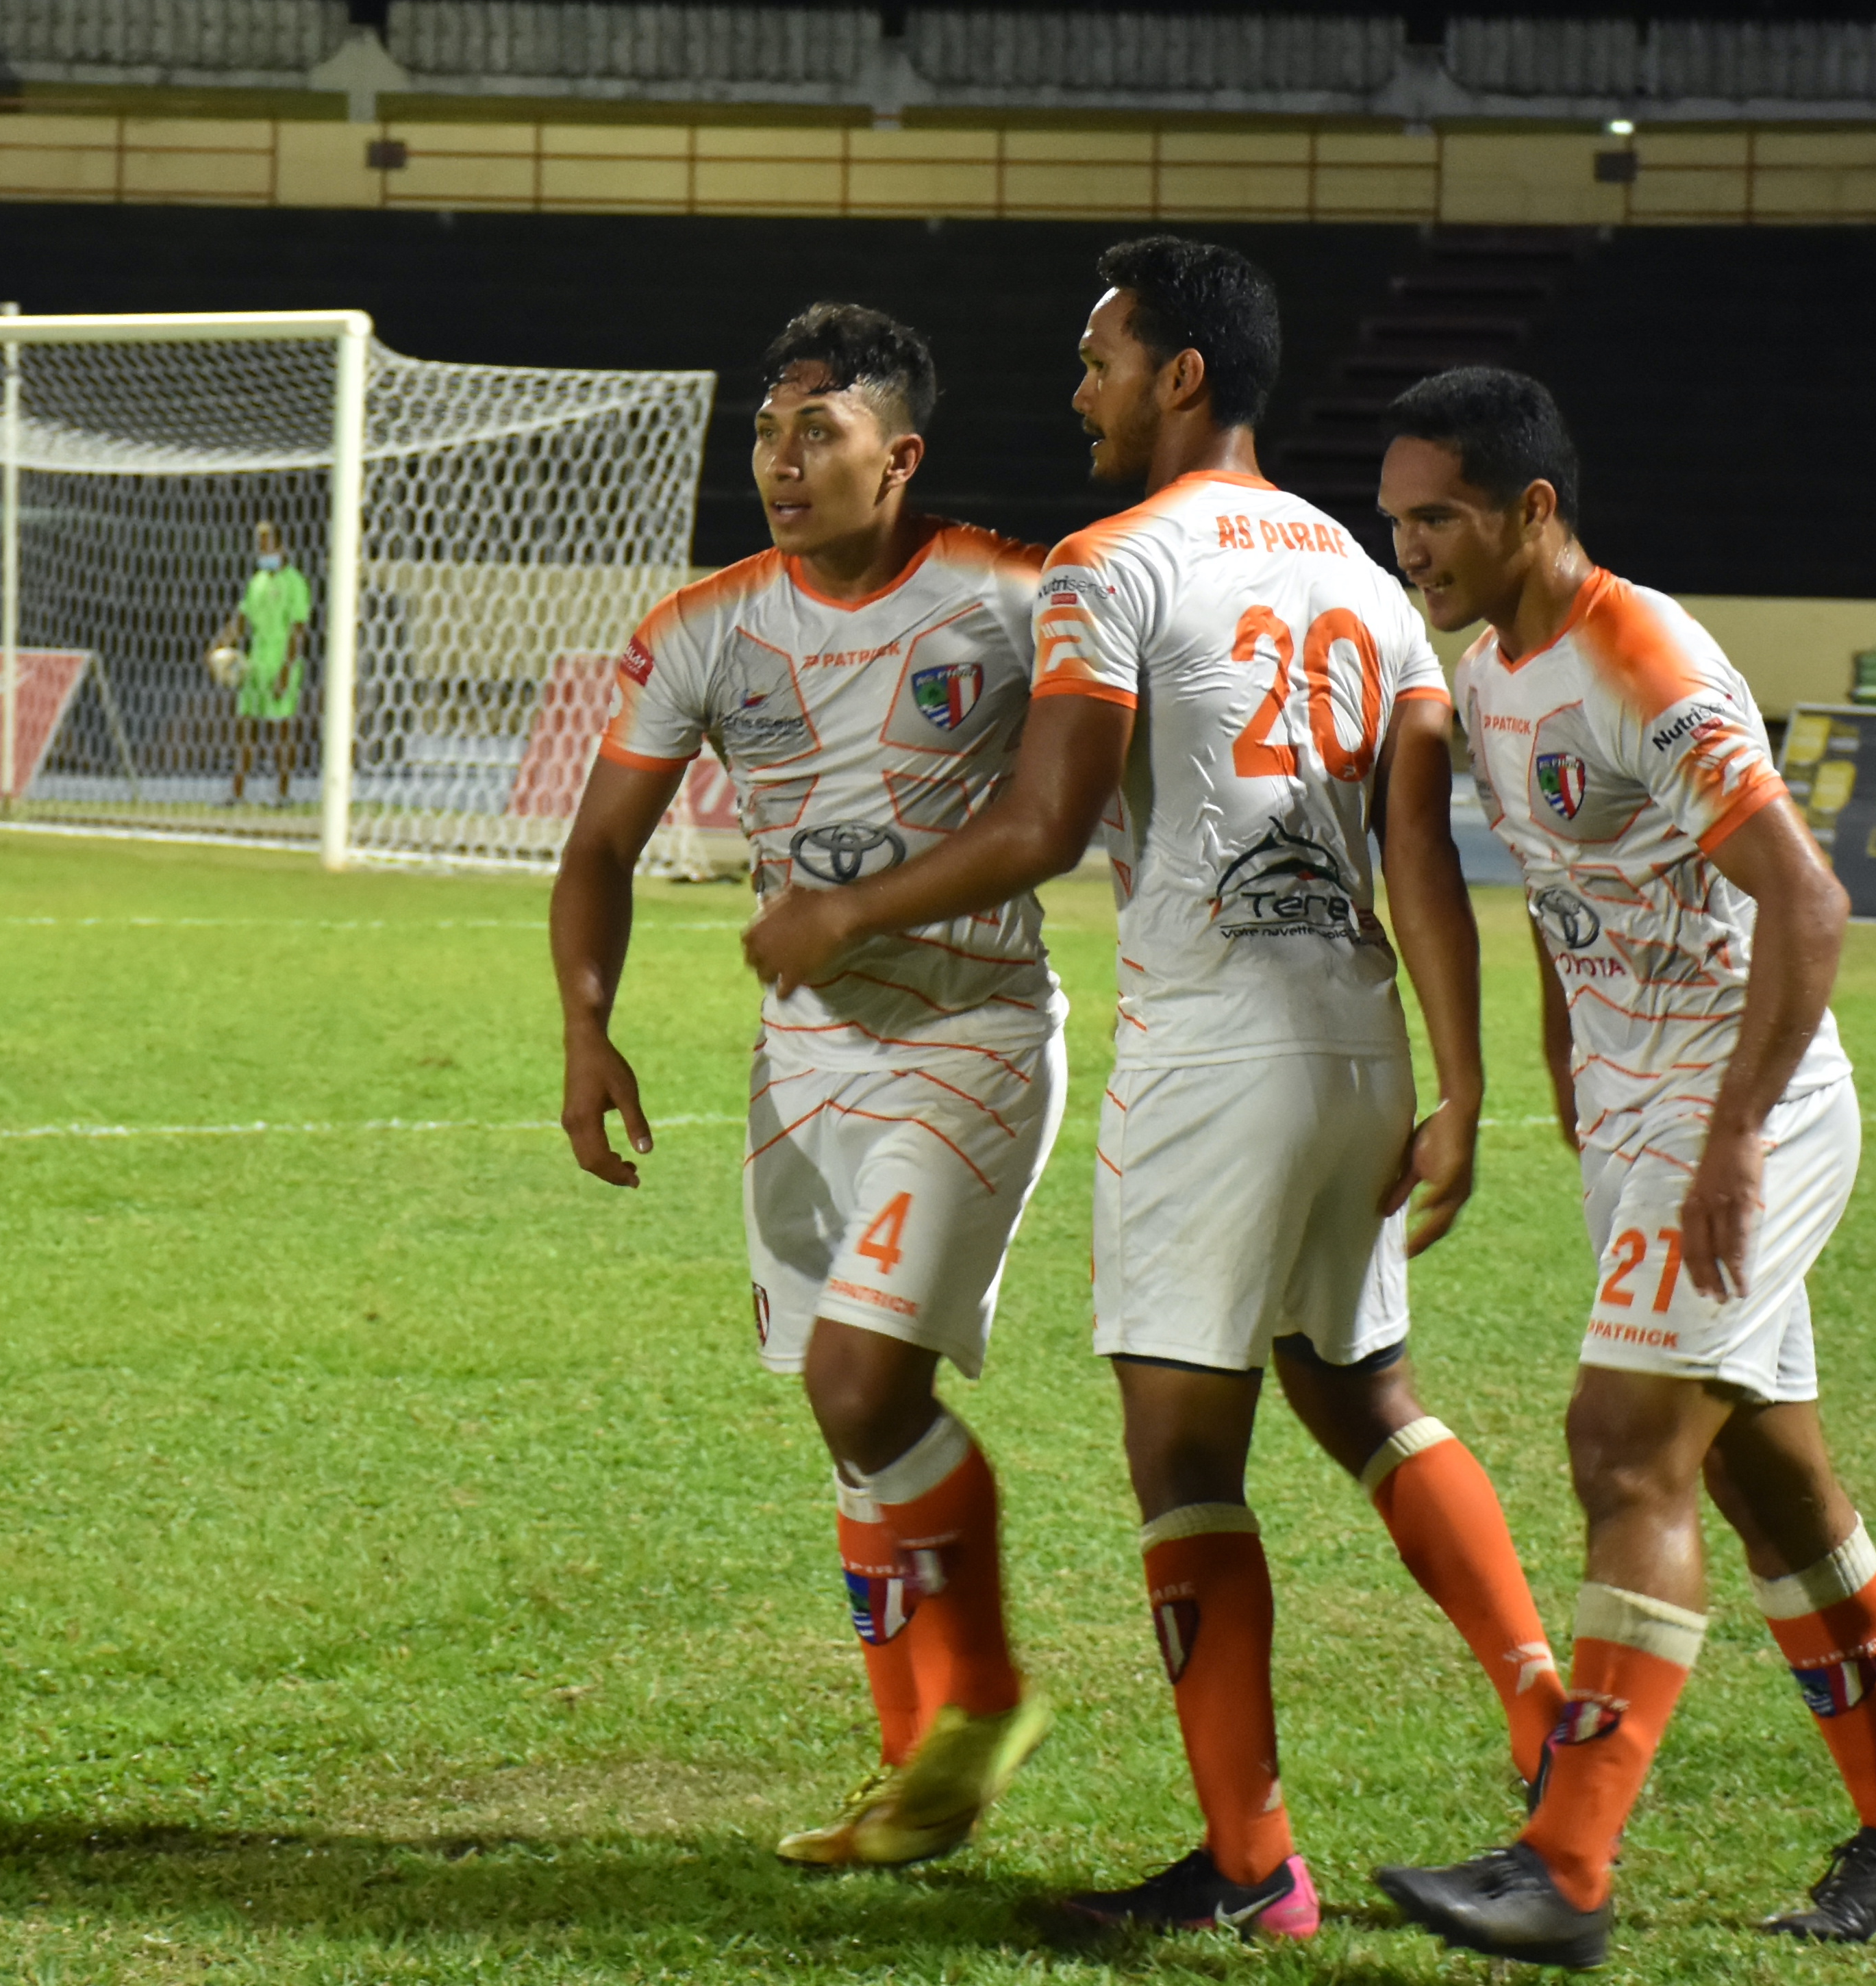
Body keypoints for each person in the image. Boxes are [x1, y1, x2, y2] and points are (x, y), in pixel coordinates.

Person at [744, 239, 1567, 1941]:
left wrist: (846, 907)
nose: (1082, 391)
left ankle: (1254, 1866)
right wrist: (1462, 1085)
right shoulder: (1362, 572)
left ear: (1182, 374)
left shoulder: (1112, 563)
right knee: (1364, 1392)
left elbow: (1043, 827)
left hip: (1211, 1046)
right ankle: (1542, 1702)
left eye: (1102, 357)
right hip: (1356, 1036)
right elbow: (1423, 846)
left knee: (1182, 1453)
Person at [1366, 366, 1876, 1969]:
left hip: (1742, 1114)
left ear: (1533, 511)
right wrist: (1575, 1049)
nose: (1412, 546)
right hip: (1645, 1114)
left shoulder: (1641, 657)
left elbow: (1810, 904)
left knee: (1621, 1443)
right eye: (1397, 520)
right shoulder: (1492, 668)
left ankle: (1563, 1866)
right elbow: (1573, 881)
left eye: (1438, 516)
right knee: (1762, 1476)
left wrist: (1726, 1139)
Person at [551, 303, 1063, 1870]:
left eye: (816, 434)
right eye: (766, 435)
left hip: (970, 1034)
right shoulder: (706, 627)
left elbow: (1124, 770)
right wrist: (588, 1029)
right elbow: (598, 847)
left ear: (896, 456)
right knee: (853, 1429)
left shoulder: (1012, 600)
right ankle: (915, 1778)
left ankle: (980, 1701)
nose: (780, 460)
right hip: (806, 1063)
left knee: (864, 1384)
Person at [210, 518, 310, 805]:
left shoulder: (295, 583)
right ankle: (237, 793)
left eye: (266, 542)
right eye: (258, 543)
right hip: (253, 664)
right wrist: (218, 646)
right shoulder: (257, 581)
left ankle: (282, 793)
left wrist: (285, 671)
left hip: (281, 664)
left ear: (281, 545)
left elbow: (298, 630)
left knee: (282, 730)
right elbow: (241, 620)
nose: (261, 548)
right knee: (246, 727)